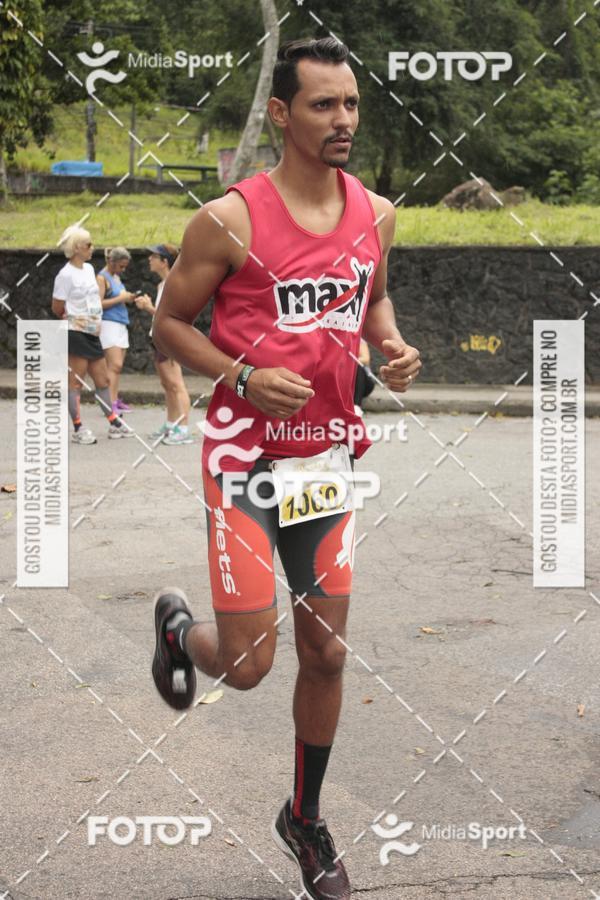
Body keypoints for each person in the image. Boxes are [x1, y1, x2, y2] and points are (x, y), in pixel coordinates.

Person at [150, 37, 421, 900]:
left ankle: (303, 820)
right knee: (249, 664)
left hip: (326, 462)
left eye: (350, 105)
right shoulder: (230, 219)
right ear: (280, 113)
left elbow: (371, 293)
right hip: (243, 461)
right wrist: (237, 373)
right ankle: (176, 633)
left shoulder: (375, 212)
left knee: (328, 654)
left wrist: (390, 341)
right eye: (323, 105)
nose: (342, 121)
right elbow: (167, 327)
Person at [51, 226, 135, 443]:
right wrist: (72, 318)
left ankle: (114, 423)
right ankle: (78, 428)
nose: (92, 248)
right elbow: (56, 307)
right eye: (88, 245)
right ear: (77, 248)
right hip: (76, 331)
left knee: (103, 379)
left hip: (92, 332)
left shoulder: (89, 269)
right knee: (76, 382)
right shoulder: (65, 275)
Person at [135, 244, 193, 445]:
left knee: (177, 385)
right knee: (167, 385)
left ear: (164, 261)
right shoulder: (162, 285)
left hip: (170, 342)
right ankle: (171, 424)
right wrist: (151, 309)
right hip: (159, 339)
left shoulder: (173, 284)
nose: (149, 259)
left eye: (154, 256)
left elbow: (172, 317)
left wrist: (149, 308)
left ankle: (184, 429)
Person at [97, 246, 136, 414]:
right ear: (111, 262)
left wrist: (127, 298)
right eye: (121, 266)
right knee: (114, 365)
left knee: (117, 368)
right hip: (108, 324)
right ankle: (109, 403)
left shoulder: (116, 278)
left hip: (121, 323)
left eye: (125, 266)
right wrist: (121, 298)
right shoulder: (101, 278)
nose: (123, 269)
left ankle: (114, 398)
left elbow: (117, 297)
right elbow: (98, 303)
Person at [353, 338, 376, 416]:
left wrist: (348, 361)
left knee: (357, 365)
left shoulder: (360, 339)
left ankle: (356, 405)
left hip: (364, 382)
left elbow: (366, 359)